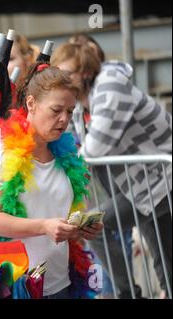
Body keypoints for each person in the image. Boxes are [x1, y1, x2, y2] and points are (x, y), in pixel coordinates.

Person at [52, 42, 172, 298]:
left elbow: (94, 148)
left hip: (162, 179)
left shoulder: (110, 86)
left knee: (89, 225)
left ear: (84, 72)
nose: (63, 81)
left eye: (68, 74)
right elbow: (74, 143)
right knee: (165, 259)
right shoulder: (81, 103)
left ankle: (127, 293)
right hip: (144, 185)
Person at [0, 63, 103, 298]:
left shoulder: (65, 155)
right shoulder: (0, 152)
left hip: (61, 281)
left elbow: (60, 214)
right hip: (18, 285)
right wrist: (43, 227)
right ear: (31, 104)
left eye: (70, 111)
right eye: (56, 110)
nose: (64, 119)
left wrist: (79, 228)